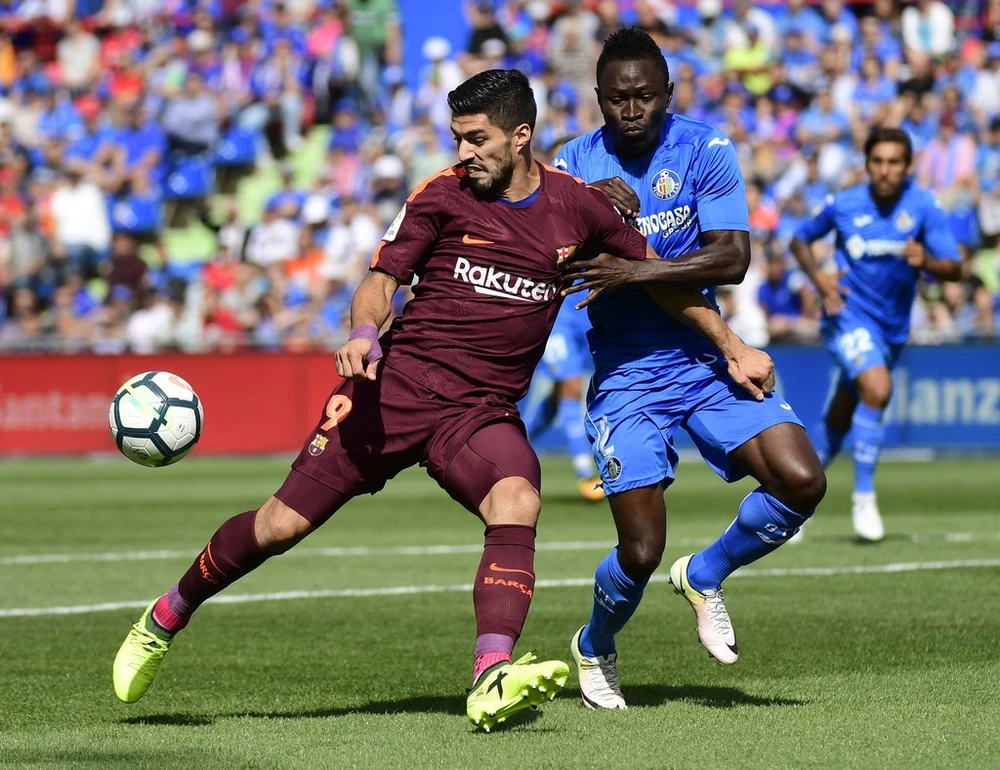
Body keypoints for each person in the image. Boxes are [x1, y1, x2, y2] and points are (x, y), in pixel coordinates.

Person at [111, 68, 772, 731]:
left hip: (478, 412)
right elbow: (380, 282)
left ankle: (490, 676)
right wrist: (364, 333)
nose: (463, 153)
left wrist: (733, 345)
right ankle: (166, 614)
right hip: (390, 391)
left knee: (517, 498)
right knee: (279, 526)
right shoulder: (441, 197)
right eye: (457, 138)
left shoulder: (581, 208)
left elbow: (659, 282)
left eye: (476, 139)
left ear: (520, 137)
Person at [553, 28, 826, 710]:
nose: (632, 109)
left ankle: (705, 574)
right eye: (618, 98)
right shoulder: (573, 167)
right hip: (627, 376)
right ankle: (593, 645)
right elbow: (558, 264)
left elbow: (732, 258)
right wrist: (589, 218)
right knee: (641, 552)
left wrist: (634, 265)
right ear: (599, 100)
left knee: (802, 480)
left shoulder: (706, 148)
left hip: (703, 360)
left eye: (646, 95)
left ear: (669, 95)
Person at [790, 127, 961, 542]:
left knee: (841, 415)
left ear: (908, 167)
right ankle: (863, 496)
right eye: (878, 161)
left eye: (894, 163)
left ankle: (791, 499)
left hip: (892, 330)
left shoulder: (922, 207)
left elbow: (955, 267)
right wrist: (821, 281)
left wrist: (930, 262)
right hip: (847, 316)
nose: (885, 170)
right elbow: (799, 239)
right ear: (867, 164)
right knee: (879, 389)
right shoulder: (844, 203)